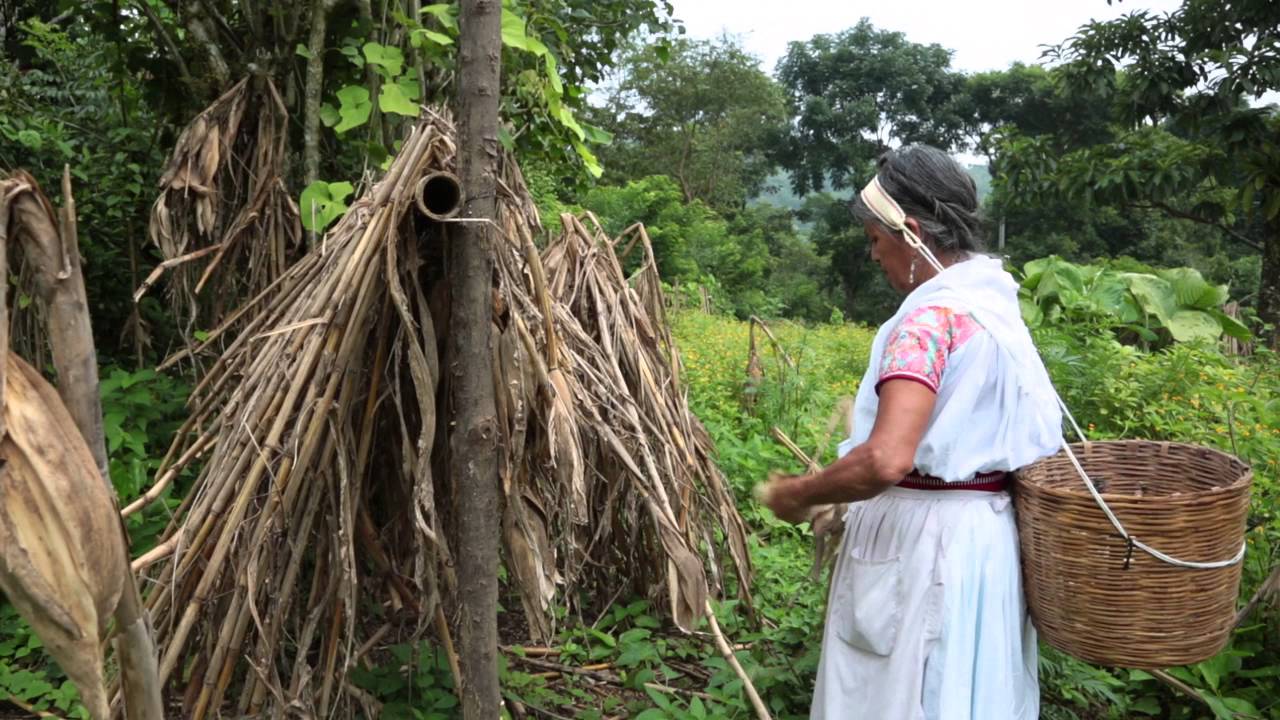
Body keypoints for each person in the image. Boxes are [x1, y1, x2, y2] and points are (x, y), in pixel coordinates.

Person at [756, 145, 1065, 719]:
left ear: (912, 233)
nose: (874, 255)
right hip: (985, 542)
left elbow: (886, 459)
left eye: (876, 239)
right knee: (966, 690)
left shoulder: (927, 323)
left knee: (900, 695)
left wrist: (799, 492)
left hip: (922, 547)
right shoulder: (996, 313)